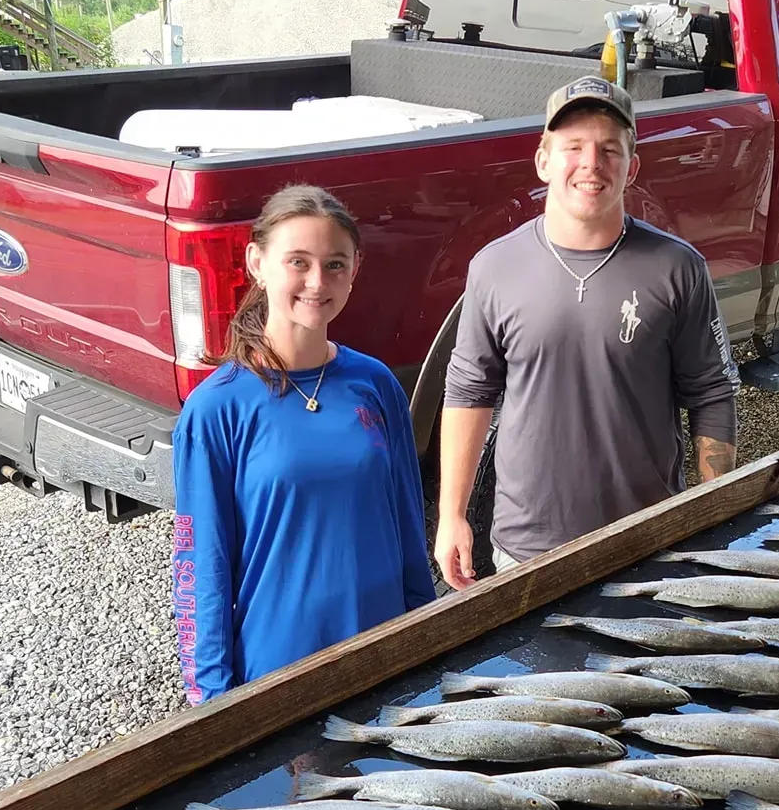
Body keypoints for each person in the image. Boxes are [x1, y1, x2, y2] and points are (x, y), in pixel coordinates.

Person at [435, 74, 740, 587]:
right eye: (573, 146)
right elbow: (468, 393)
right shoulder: (494, 267)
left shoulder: (677, 267)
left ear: (632, 167)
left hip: (648, 539)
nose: (591, 164)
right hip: (527, 547)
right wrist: (451, 515)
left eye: (609, 149)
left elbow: (712, 392)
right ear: (543, 160)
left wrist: (712, 509)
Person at [172, 183, 435, 700]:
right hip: (278, 669)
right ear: (257, 262)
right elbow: (200, 565)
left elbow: (407, 519)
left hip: (382, 650)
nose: (318, 281)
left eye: (335, 264)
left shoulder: (376, 383)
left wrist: (424, 635)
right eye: (299, 261)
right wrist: (211, 698)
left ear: (356, 268)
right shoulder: (216, 409)